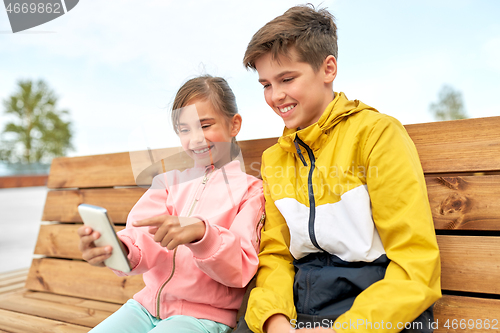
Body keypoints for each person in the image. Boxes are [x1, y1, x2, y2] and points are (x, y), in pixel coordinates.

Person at [235, 5, 441, 333]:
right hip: (299, 301)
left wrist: (343, 330)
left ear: (328, 68)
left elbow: (415, 263)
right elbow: (275, 255)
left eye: (287, 78)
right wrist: (275, 321)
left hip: (373, 303)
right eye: (266, 84)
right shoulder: (275, 159)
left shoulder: (376, 135)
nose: (276, 96)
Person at [78, 75, 265, 333]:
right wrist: (118, 250)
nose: (196, 139)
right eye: (184, 130)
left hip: (202, 318)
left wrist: (203, 234)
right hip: (144, 308)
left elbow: (240, 269)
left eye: (206, 125)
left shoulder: (251, 191)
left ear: (234, 125)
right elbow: (141, 237)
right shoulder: (168, 183)